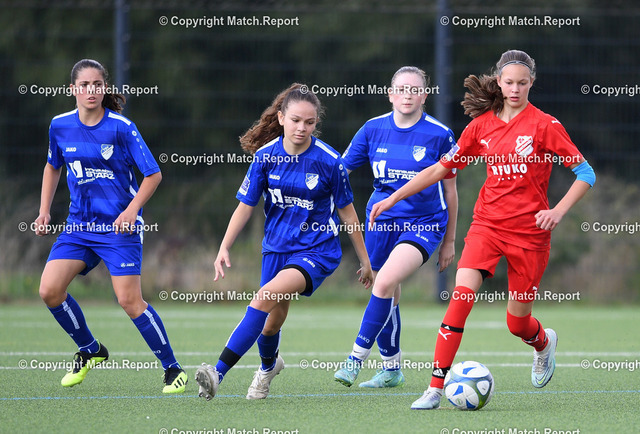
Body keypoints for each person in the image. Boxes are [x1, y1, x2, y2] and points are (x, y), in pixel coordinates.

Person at [369, 50, 595, 410]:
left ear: (531, 83)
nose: (515, 89)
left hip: (530, 235)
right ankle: (434, 388)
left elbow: (585, 173)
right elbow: (439, 169)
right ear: (499, 82)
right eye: (509, 82)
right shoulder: (481, 126)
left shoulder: (545, 125)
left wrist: (557, 211)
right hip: (486, 226)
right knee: (460, 299)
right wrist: (393, 197)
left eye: (523, 83)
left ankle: (543, 344)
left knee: (517, 324)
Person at [195, 83, 373, 400]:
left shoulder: (330, 161)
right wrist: (224, 246)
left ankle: (216, 373)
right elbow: (245, 206)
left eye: (309, 122)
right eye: (295, 120)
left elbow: (347, 213)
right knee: (270, 325)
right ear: (280, 118)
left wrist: (365, 260)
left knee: (263, 298)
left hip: (317, 250)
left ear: (316, 123)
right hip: (276, 248)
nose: (302, 127)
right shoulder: (265, 157)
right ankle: (268, 368)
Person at [35, 59, 187, 393]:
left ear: (105, 88)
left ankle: (172, 368)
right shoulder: (59, 125)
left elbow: (153, 174)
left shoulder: (121, 127)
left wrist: (132, 211)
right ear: (73, 89)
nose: (91, 90)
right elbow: (52, 166)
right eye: (84, 85)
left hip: (119, 229)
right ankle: (90, 350)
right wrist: (44, 211)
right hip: (78, 226)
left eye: (98, 84)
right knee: (49, 290)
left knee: (129, 301)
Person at [333, 66, 458, 388]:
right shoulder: (372, 129)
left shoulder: (440, 134)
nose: (407, 95)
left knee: (385, 281)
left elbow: (450, 190)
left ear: (424, 96)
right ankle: (391, 369)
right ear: (390, 94)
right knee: (387, 289)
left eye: (415, 90)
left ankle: (354, 359)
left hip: (425, 223)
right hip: (381, 220)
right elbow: (340, 172)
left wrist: (449, 240)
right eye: (401, 89)